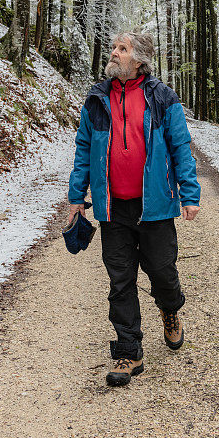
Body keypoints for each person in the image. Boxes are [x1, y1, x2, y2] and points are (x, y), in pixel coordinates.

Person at [67, 31, 201, 386]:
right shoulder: (97, 99)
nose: (113, 53)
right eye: (114, 48)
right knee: (120, 280)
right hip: (113, 208)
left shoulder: (163, 98)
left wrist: (189, 194)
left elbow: (181, 147)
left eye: (121, 49)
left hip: (155, 206)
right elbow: (83, 149)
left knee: (162, 273)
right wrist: (76, 195)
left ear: (139, 59)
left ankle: (170, 309)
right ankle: (128, 351)